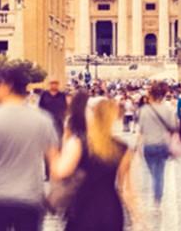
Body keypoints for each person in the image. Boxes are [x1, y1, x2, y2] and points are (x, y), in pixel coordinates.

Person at [0, 65, 60, 231]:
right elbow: (56, 165)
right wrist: (54, 195)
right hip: (30, 199)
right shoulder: (42, 120)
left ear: (7, 85)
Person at [54, 97, 135, 231]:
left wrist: (52, 151)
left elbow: (60, 172)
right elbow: (126, 188)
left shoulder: (79, 142)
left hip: (83, 207)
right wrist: (137, 216)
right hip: (111, 209)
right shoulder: (122, 147)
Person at [136, 84, 178, 206]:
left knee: (154, 172)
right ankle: (157, 199)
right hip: (162, 145)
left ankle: (156, 193)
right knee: (159, 172)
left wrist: (138, 146)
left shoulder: (143, 110)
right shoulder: (168, 109)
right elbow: (174, 127)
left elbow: (140, 130)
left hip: (148, 145)